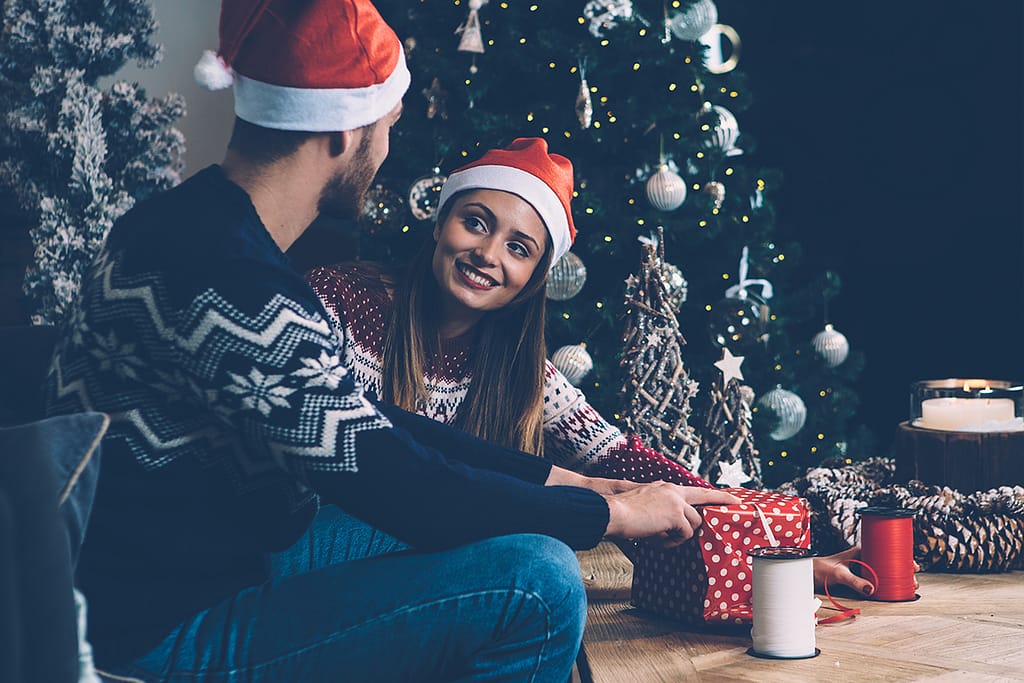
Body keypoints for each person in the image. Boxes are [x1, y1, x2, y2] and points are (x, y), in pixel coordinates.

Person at [44, 1, 739, 681]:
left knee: (501, 529)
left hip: (208, 558)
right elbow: (401, 483)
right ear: (345, 132)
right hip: (160, 631)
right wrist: (607, 513)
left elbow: (366, 423)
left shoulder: (187, 228)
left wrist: (570, 480)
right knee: (540, 581)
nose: (387, 149)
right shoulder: (241, 287)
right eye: (389, 125)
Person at [307, 138, 881, 597]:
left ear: (534, 278)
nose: (488, 255)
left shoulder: (521, 372)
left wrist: (767, 553)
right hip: (312, 542)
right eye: (477, 223)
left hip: (410, 556)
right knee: (536, 550)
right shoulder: (338, 299)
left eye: (519, 248)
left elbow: (622, 461)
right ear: (440, 224)